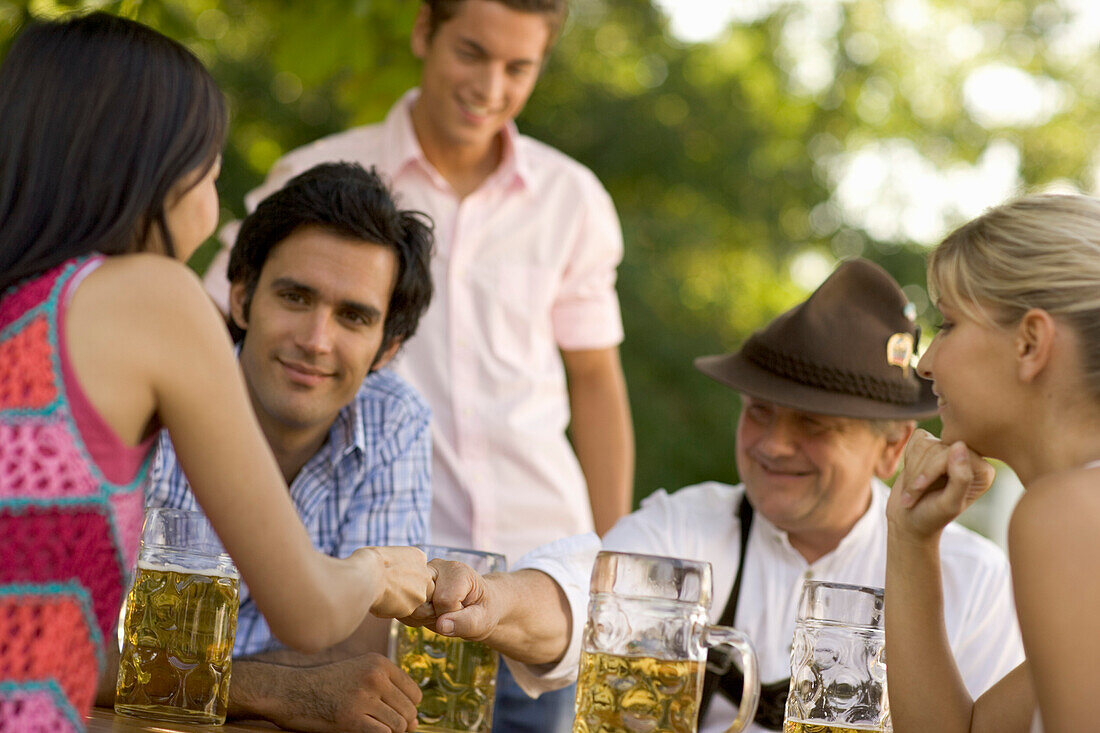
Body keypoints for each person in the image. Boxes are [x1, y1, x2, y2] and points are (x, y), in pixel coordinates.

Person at [0, 14, 432, 731]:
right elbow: (312, 609)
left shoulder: (25, 308)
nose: (214, 198)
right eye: (210, 168)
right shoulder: (153, 300)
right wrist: (379, 571)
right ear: (148, 172)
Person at [220, 0, 635, 729]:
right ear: (423, 32)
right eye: (471, 52)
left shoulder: (573, 200)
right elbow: (216, 328)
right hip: (386, 588)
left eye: (519, 66)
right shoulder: (319, 175)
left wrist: (608, 568)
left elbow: (596, 382)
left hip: (534, 586)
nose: (491, 85)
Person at [404, 258, 1025, 733]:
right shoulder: (691, 522)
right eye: (759, 411)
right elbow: (581, 597)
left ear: (891, 449)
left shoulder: (975, 581)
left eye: (814, 424)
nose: (775, 445)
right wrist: (494, 600)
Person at [136, 162, 434, 732]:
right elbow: (73, 641)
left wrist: (209, 680)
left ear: (388, 347)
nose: (316, 341)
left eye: (353, 316)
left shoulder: (395, 419)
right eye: (296, 297)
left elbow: (359, 661)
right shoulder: (152, 397)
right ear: (243, 299)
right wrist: (277, 689)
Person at [884, 193, 1100, 732]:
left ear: (1030, 343)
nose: (926, 363)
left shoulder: (1070, 514)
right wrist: (911, 541)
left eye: (948, 325)